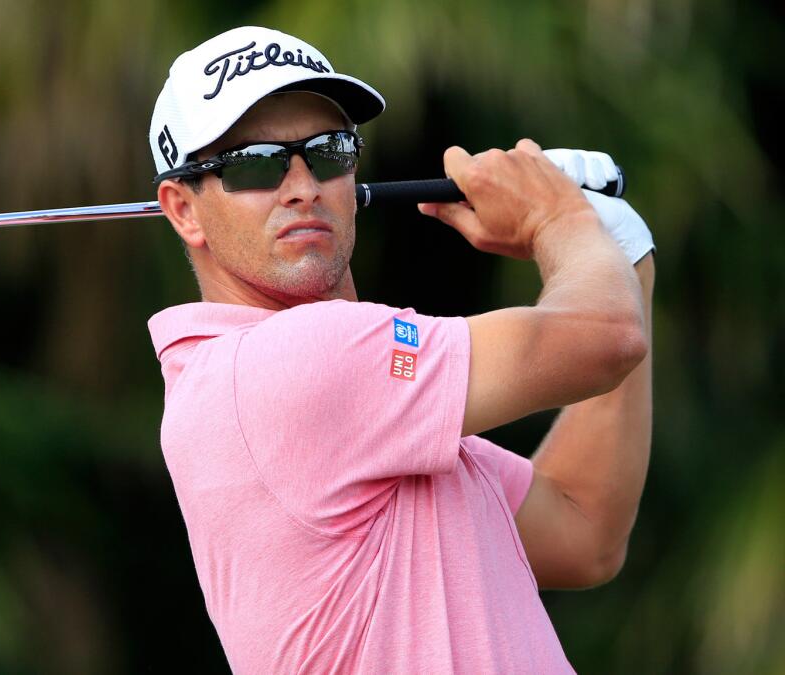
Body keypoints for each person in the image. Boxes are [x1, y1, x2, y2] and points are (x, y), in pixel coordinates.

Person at [145, 25, 656, 674]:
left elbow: (585, 529)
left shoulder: (365, 412)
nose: (303, 185)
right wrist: (559, 221)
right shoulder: (287, 364)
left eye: (327, 152)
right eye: (255, 163)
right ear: (183, 209)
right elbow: (606, 335)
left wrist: (622, 256)